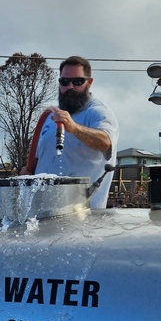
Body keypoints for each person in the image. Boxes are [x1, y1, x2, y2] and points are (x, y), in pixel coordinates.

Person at [23, 55, 119, 209]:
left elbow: (105, 141)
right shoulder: (50, 116)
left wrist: (74, 128)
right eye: (65, 82)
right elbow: (37, 162)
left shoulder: (98, 113)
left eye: (78, 82)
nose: (70, 87)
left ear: (89, 83)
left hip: (83, 218)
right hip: (42, 218)